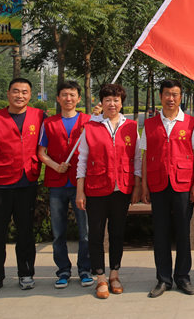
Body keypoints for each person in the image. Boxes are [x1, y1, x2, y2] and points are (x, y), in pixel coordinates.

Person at [0, 78, 45, 296]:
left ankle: (26, 273)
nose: (20, 95)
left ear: (30, 95)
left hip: (27, 182)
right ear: (8, 94)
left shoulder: (39, 116)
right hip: (0, 184)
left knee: (26, 231)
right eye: (16, 91)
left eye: (25, 92)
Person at [75, 83, 142, 299]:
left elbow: (137, 159)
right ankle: (100, 277)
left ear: (122, 103)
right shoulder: (90, 127)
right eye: (107, 100)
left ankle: (114, 274)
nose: (112, 104)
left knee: (117, 233)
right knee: (95, 234)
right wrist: (80, 191)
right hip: (96, 188)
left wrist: (137, 187)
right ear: (101, 103)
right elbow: (82, 160)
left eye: (116, 100)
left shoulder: (131, 126)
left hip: (121, 189)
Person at [139, 79, 194, 297]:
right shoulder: (150, 124)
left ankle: (183, 277)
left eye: (175, 94)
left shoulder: (191, 123)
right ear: (160, 96)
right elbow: (145, 156)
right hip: (158, 184)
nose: (171, 98)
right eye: (167, 94)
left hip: (183, 184)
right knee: (161, 233)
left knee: (183, 232)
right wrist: (144, 186)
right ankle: (163, 279)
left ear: (180, 97)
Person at [38, 80, 93, 289]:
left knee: (85, 231)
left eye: (72, 95)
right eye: (64, 95)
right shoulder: (49, 123)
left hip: (81, 184)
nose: (68, 99)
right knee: (58, 232)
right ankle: (63, 271)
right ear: (58, 98)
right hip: (57, 183)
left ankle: (85, 270)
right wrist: (55, 166)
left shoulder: (88, 121)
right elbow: (41, 153)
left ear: (78, 98)